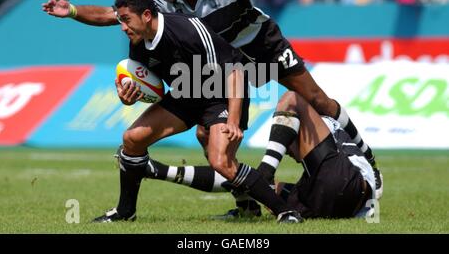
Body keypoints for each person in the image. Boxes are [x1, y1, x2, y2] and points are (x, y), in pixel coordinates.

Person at [42, 0, 383, 216]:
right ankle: (247, 206)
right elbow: (110, 15)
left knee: (316, 99)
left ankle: (367, 158)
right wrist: (71, 11)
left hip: (259, 46)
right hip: (218, 69)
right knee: (208, 137)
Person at [91, 0, 302, 224]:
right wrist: (128, 96)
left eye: (127, 20)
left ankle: (285, 211)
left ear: (147, 15)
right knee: (132, 139)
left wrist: (233, 120)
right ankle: (125, 211)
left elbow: (234, 72)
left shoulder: (187, 30)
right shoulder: (138, 42)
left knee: (221, 161)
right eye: (120, 20)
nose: (122, 27)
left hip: (221, 93)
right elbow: (150, 86)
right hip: (185, 94)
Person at [140, 90, 376, 220]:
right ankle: (157, 170)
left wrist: (370, 159)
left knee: (292, 99)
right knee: (256, 186)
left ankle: (265, 171)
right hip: (323, 200)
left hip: (347, 185)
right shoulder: (320, 152)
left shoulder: (322, 121)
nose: (291, 152)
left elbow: (318, 108)